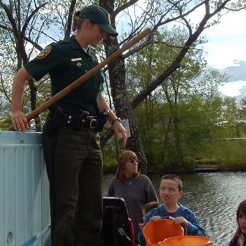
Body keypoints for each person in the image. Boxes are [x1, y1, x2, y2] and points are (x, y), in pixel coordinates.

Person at [11, 4, 127, 246]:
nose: (104, 35)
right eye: (101, 30)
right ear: (86, 24)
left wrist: (114, 120)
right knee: (66, 207)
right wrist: (17, 111)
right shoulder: (61, 50)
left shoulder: (93, 57)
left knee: (92, 208)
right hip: (65, 136)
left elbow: (97, 95)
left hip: (91, 137)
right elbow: (22, 75)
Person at [138, 174, 206, 246]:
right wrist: (150, 225)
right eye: (163, 189)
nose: (166, 192)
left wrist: (187, 224)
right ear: (159, 191)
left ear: (179, 194)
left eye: (171, 189)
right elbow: (140, 240)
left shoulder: (188, 214)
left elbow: (203, 238)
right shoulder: (153, 213)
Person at [107, 150, 158, 245]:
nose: (136, 164)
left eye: (136, 161)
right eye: (132, 161)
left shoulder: (144, 181)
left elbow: (154, 206)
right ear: (123, 164)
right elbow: (109, 207)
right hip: (121, 232)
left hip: (141, 231)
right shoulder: (115, 182)